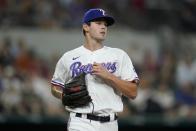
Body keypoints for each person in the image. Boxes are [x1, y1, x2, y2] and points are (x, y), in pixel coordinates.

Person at [50, 8, 139, 131]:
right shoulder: (68, 57)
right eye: (98, 23)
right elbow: (55, 86)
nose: (103, 27)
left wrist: (109, 76)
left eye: (105, 24)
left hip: (110, 123)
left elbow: (133, 92)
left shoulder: (119, 55)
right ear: (86, 27)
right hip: (80, 122)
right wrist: (63, 95)